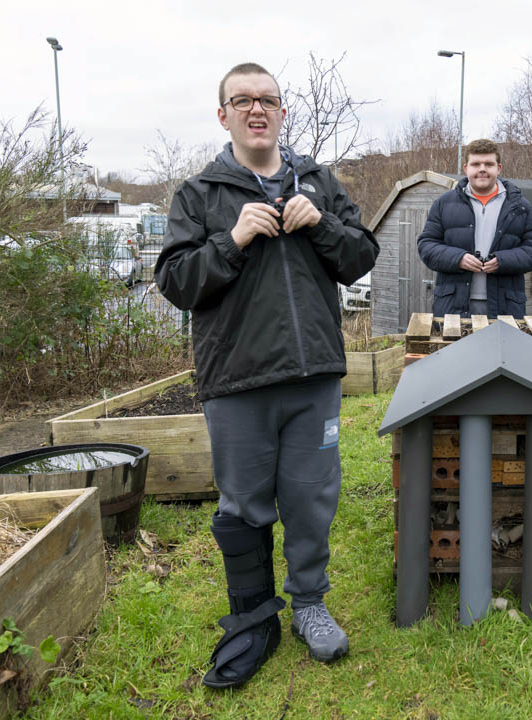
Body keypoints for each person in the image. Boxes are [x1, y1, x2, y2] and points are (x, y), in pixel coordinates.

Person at [155, 62, 378, 687]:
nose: (257, 109)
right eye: (242, 100)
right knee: (245, 505)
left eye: (269, 100)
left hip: (314, 379)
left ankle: (308, 603)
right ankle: (252, 621)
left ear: (282, 113)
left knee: (311, 500)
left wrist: (323, 224)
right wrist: (231, 240)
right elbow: (176, 283)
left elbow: (361, 255)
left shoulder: (318, 182)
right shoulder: (200, 195)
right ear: (222, 114)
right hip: (237, 382)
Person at [417, 138, 532, 317]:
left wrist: (503, 261)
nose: (482, 169)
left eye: (488, 164)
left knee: (501, 346)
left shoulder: (520, 206)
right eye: (476, 164)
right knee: (458, 346)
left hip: (505, 306)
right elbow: (426, 245)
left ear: (498, 168)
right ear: (466, 168)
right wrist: (458, 259)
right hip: (453, 305)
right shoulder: (443, 204)